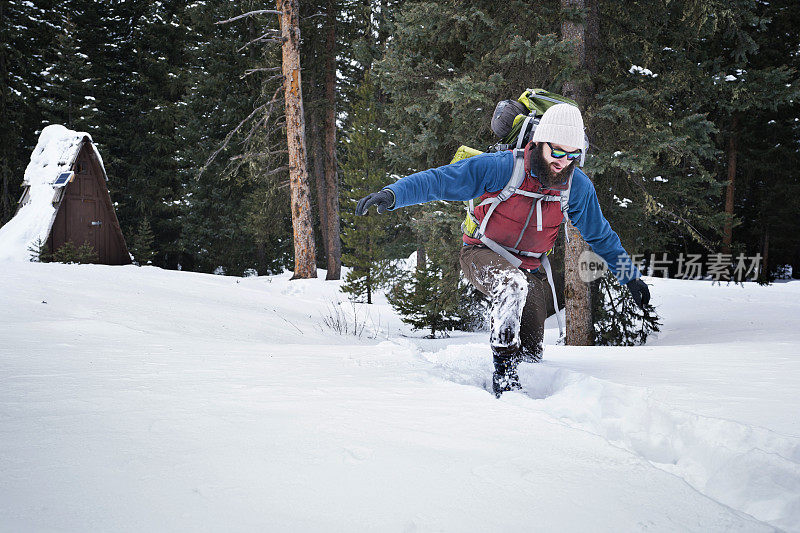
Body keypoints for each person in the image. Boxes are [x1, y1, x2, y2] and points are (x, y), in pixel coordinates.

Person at [355, 103, 650, 396]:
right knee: (511, 285)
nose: (563, 162)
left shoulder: (577, 187)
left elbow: (601, 236)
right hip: (481, 252)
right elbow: (441, 180)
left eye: (573, 155)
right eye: (557, 151)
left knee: (532, 352)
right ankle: (504, 375)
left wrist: (631, 277)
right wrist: (394, 194)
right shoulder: (502, 167)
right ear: (539, 143)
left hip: (531, 269)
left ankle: (523, 390)